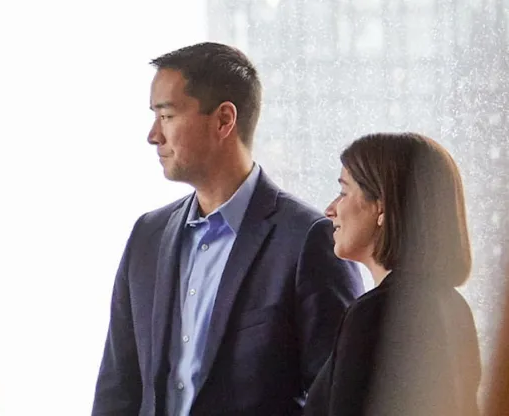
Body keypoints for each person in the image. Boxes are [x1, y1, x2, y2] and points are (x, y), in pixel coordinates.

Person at [91, 41, 364, 416]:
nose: (153, 135)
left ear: (223, 120)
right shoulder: (147, 236)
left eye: (167, 115)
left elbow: (338, 399)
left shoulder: (308, 239)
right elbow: (117, 391)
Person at [304, 132, 481, 416]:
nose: (330, 210)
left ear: (382, 206)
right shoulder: (454, 307)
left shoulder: (374, 313)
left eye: (344, 192)